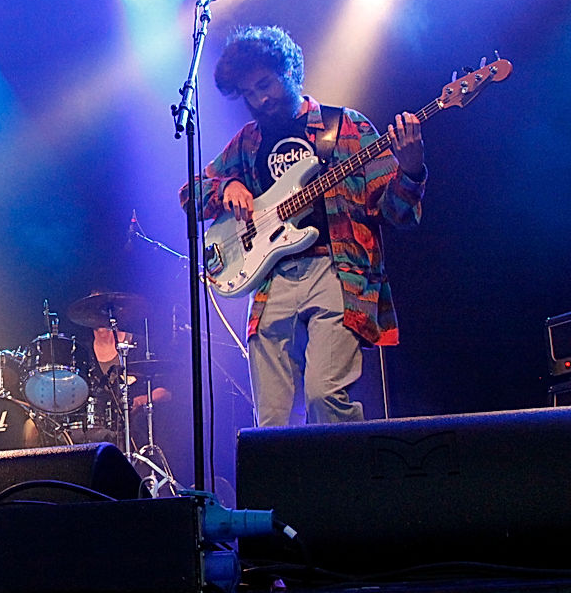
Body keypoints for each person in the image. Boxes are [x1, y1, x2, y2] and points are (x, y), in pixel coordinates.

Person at [180, 25, 425, 427]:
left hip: (336, 271)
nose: (260, 99)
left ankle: (345, 469)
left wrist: (411, 169)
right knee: (271, 419)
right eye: (249, 93)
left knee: (324, 395)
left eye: (265, 85)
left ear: (290, 71)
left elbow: (398, 214)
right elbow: (190, 194)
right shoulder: (248, 141)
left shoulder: (346, 127)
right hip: (272, 281)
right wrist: (227, 187)